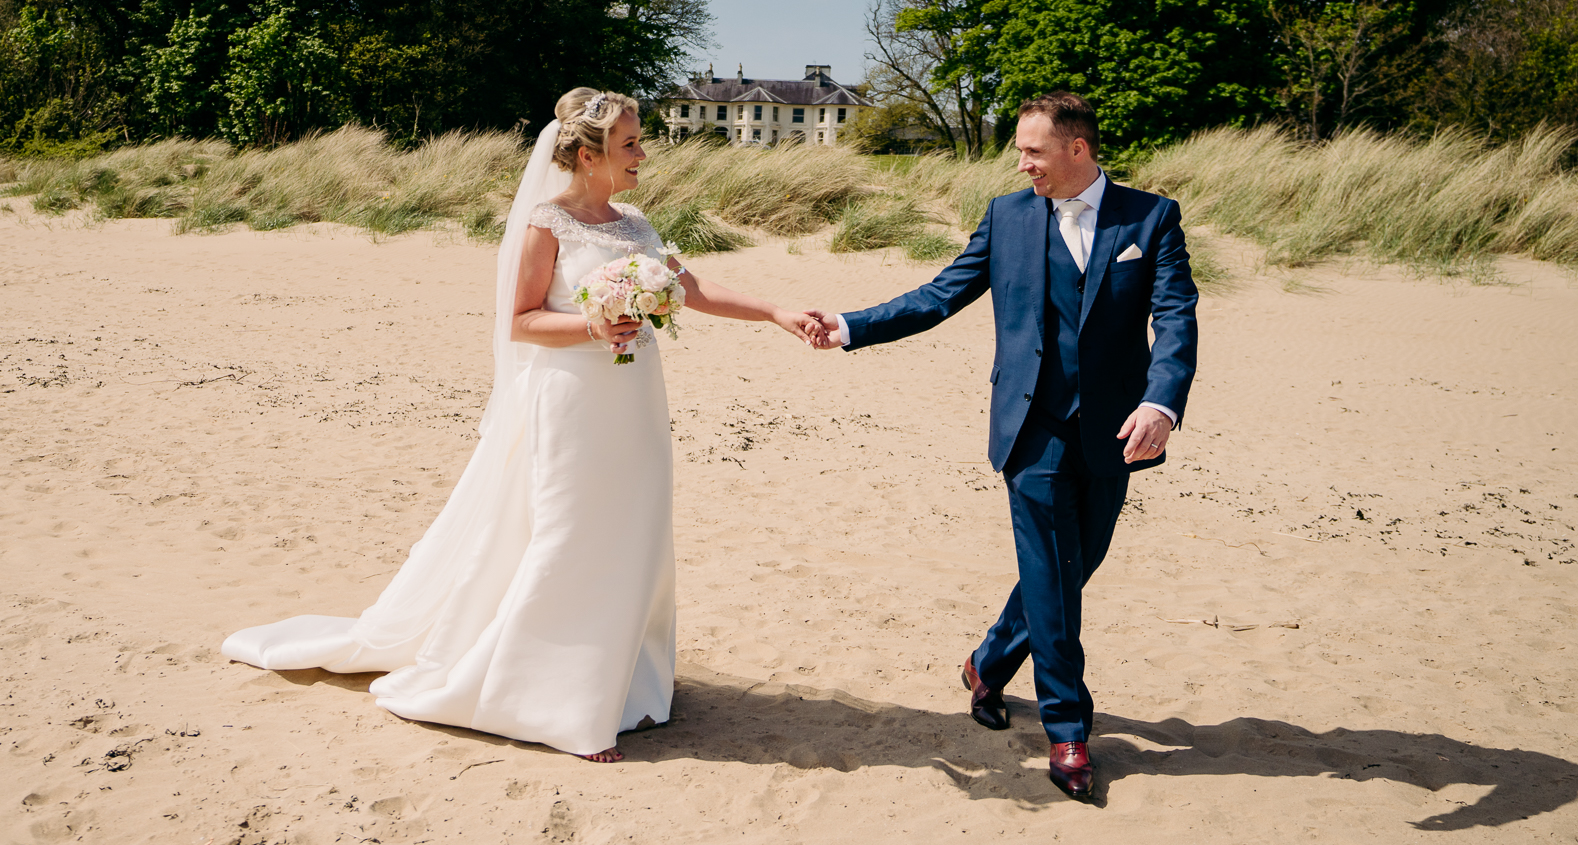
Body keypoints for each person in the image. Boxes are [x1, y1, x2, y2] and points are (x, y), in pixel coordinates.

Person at [222, 89, 822, 762]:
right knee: (570, 533)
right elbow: (520, 321)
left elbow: (695, 291)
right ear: (588, 154)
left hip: (636, 403)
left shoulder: (635, 222)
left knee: (635, 531)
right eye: (630, 144)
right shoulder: (547, 222)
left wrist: (777, 312)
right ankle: (554, 702)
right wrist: (593, 322)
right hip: (573, 399)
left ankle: (622, 685)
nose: (643, 153)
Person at [805, 92, 1197, 801]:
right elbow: (940, 294)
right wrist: (852, 325)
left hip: (1115, 431)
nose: (1022, 164)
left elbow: (1174, 318)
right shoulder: (1007, 216)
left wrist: (1161, 401)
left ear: (1077, 149)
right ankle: (1069, 729)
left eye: (1034, 152)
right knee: (1054, 578)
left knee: (1075, 565)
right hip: (1031, 428)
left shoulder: (1151, 217)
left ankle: (988, 663)